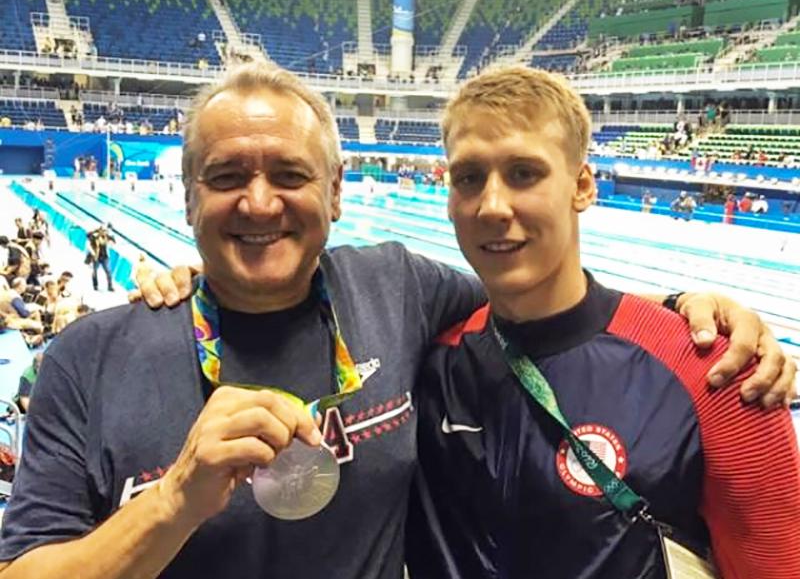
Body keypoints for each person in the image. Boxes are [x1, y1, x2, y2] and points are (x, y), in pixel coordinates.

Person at [0, 62, 791, 579]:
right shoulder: (89, 357)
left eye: (290, 174)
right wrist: (173, 500)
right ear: (185, 196)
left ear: (337, 193)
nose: (260, 202)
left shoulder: (397, 289)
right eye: (227, 176)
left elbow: (542, 302)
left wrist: (692, 310)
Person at [406, 67, 800, 579]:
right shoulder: (429, 361)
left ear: (582, 186)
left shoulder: (718, 374)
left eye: (524, 173)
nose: (492, 205)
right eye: (469, 177)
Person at [85, 223, 116, 291]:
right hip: (96, 256)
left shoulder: (108, 236)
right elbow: (88, 241)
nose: (106, 231)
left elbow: (113, 242)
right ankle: (95, 286)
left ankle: (110, 286)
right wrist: (92, 252)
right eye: (105, 230)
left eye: (107, 230)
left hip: (105, 256)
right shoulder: (95, 235)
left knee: (108, 271)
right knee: (94, 271)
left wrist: (111, 242)